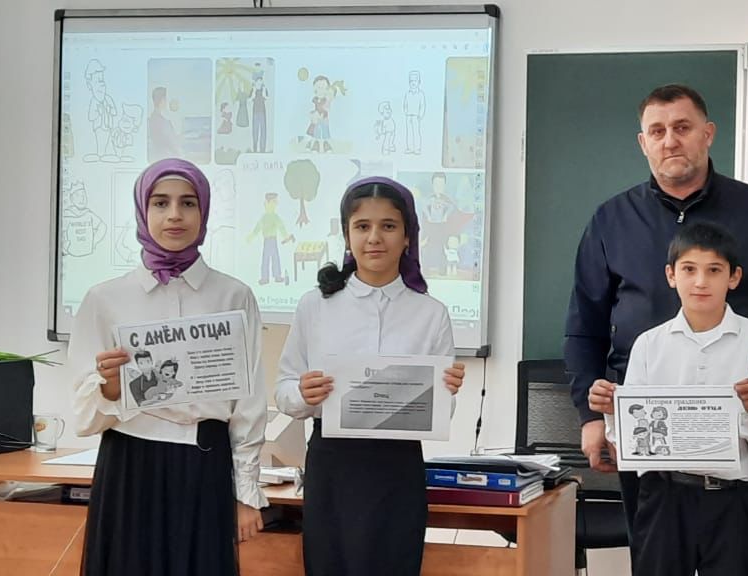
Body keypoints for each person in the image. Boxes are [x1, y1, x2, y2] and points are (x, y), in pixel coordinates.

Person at [566, 83, 748, 536]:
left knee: (736, 561)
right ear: (643, 142)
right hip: (646, 437)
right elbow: (585, 327)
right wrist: (590, 417)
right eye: (657, 131)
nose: (670, 141)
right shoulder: (611, 220)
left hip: (739, 436)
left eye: (682, 127)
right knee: (655, 560)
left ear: (708, 133)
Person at [68, 158, 268, 575]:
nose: (174, 215)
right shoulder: (105, 299)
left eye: (188, 203)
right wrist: (109, 387)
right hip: (130, 464)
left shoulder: (234, 296)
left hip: (205, 463)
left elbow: (248, 404)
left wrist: (246, 491)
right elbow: (84, 418)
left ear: (204, 211)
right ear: (143, 211)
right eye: (160, 203)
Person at [274, 176, 466, 576]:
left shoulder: (431, 314)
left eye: (388, 226)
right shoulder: (315, 306)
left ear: (408, 236)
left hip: (397, 467)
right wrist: (304, 394)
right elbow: (284, 391)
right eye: (362, 226)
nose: (374, 238)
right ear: (347, 236)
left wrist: (443, 393)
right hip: (333, 465)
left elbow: (442, 412)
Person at [589, 222, 748, 576]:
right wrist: (613, 413)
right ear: (671, 275)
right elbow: (629, 446)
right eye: (689, 269)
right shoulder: (649, 345)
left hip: (736, 498)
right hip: (665, 495)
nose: (701, 281)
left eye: (714, 270)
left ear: (734, 277)